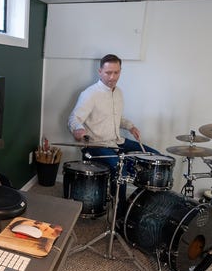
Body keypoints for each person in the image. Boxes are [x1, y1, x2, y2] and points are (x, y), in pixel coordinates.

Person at [67, 54, 160, 206]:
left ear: (120, 71)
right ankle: (120, 210)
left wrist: (131, 126)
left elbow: (116, 118)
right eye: (108, 72)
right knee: (120, 169)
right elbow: (74, 118)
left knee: (154, 158)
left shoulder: (118, 93)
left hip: (117, 141)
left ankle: (144, 204)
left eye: (116, 72)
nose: (112, 77)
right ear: (100, 72)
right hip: (97, 145)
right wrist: (78, 129)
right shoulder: (90, 94)